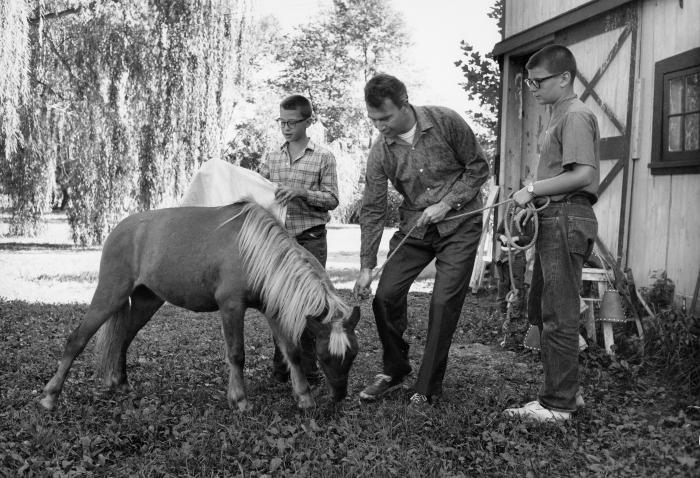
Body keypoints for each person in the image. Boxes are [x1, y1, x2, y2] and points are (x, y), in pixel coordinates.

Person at [353, 73, 489, 406]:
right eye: (373, 119)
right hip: (416, 228)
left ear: (404, 104)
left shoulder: (446, 121)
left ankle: (426, 387)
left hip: (459, 222)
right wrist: (366, 266)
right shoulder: (380, 152)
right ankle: (395, 370)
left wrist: (448, 202)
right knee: (385, 296)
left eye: (384, 117)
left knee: (442, 303)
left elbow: (479, 166)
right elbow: (371, 209)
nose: (379, 126)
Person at [503, 44, 599, 422]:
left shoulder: (575, 115)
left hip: (565, 217)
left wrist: (533, 190)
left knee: (559, 315)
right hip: (555, 216)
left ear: (564, 78)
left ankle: (558, 406)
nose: (533, 88)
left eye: (539, 81)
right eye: (529, 82)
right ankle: (563, 396)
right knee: (547, 311)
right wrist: (533, 194)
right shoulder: (558, 114)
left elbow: (583, 175)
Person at [259, 94, 339, 385]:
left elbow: (332, 199)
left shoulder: (323, 157)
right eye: (282, 122)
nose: (286, 128)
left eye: (293, 122)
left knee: (307, 308)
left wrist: (303, 193)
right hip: (278, 243)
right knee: (278, 305)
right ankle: (282, 369)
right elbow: (259, 189)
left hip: (310, 239)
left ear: (309, 121)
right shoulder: (272, 157)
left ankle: (309, 371)